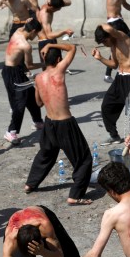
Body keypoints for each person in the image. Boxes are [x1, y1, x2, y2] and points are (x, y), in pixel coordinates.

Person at [24, 43, 94, 205]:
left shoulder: (39, 78)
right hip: (65, 123)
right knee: (83, 159)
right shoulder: (59, 70)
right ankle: (75, 195)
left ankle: (30, 184)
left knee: (46, 154)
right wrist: (51, 44)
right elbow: (72, 48)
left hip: (49, 123)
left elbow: (39, 103)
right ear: (58, 59)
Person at [1, 18, 44, 145]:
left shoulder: (18, 31)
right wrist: (46, 63)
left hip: (17, 69)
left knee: (31, 95)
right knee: (19, 103)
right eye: (36, 34)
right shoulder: (26, 45)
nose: (35, 37)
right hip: (12, 73)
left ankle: (38, 122)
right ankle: (11, 131)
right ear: (34, 31)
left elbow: (24, 23)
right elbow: (30, 65)